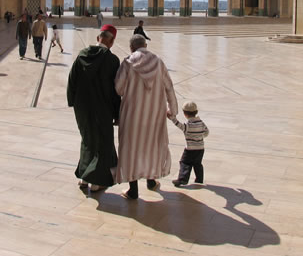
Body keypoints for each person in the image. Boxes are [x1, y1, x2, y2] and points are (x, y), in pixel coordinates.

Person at [114, 34, 178, 200]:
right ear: (145, 46)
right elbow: (169, 87)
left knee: (131, 148)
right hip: (155, 114)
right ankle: (151, 181)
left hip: (132, 115)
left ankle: (133, 190)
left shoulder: (128, 63)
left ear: (131, 48)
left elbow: (118, 89)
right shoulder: (158, 62)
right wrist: (173, 109)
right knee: (151, 145)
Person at [67, 24, 121, 192]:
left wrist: (72, 102)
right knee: (102, 144)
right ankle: (96, 182)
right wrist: (117, 113)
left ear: (98, 38)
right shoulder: (112, 61)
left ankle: (84, 178)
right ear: (112, 42)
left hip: (82, 108)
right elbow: (116, 90)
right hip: (102, 109)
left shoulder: (82, 55)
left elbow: (72, 80)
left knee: (87, 140)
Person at [168, 101, 209, 187]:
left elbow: (179, 125)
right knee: (197, 164)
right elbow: (206, 132)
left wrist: (172, 118)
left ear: (185, 113)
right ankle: (199, 179)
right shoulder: (201, 123)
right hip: (200, 149)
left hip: (190, 149)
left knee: (185, 163)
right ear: (196, 112)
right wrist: (200, 136)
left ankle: (183, 179)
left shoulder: (188, 125)